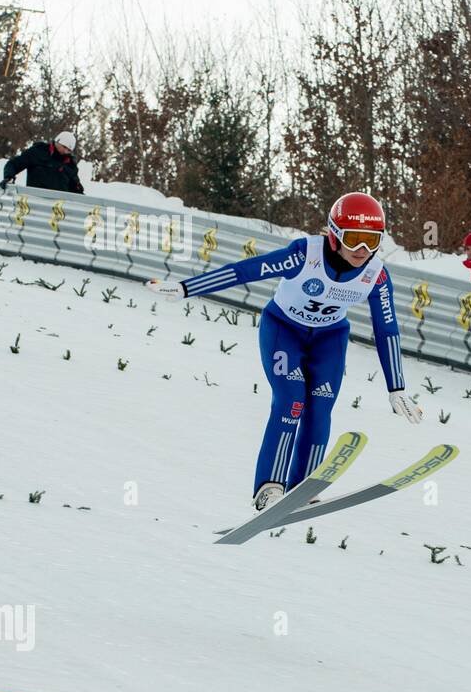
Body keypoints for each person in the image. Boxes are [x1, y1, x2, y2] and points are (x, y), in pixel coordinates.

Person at [145, 192, 423, 510]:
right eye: (355, 239)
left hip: (329, 339)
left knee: (320, 410)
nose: (363, 250)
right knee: (291, 401)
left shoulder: (376, 274)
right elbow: (246, 271)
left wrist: (396, 387)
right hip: (284, 331)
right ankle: (269, 487)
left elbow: (386, 328)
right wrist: (185, 288)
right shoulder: (305, 255)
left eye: (372, 240)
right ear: (334, 235)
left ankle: (305, 486)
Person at [0, 130, 84, 193]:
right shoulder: (38, 152)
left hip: (58, 208)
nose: (65, 151)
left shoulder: (70, 164)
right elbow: (14, 164)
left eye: (69, 150)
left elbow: (75, 187)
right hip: (34, 201)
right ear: (57, 141)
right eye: (64, 147)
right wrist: (8, 177)